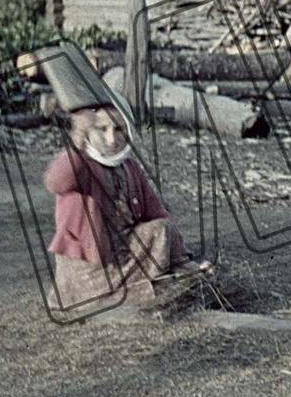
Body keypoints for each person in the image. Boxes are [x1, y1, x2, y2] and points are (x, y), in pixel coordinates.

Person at [43, 104, 208, 313]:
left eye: (119, 129)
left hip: (122, 252)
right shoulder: (81, 163)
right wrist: (78, 136)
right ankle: (100, 296)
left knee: (162, 228)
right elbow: (55, 182)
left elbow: (156, 212)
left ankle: (173, 273)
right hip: (89, 264)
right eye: (101, 129)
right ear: (89, 132)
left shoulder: (129, 167)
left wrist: (182, 256)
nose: (111, 139)